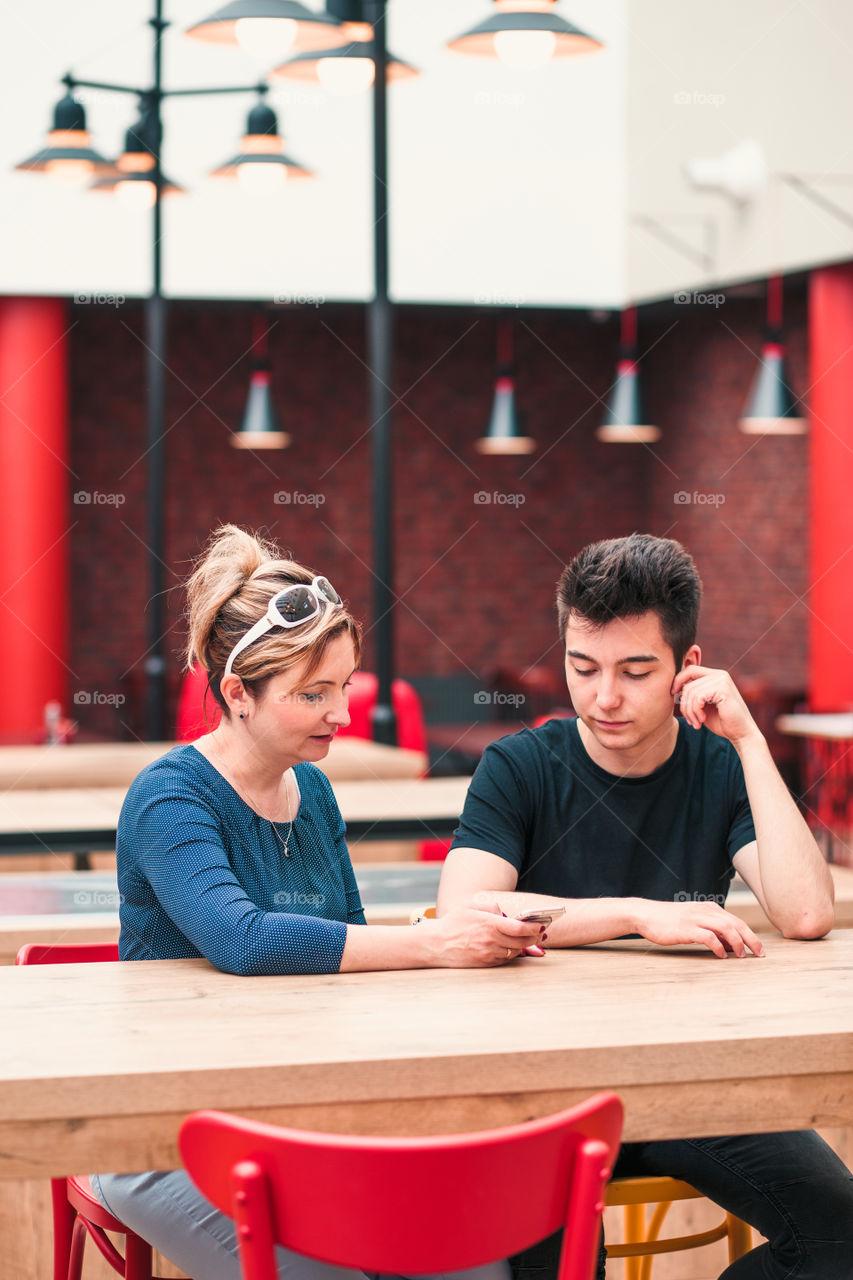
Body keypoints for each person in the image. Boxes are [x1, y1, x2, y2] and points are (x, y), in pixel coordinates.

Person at [92, 524, 543, 1280]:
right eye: (314, 694)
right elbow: (243, 940)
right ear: (236, 692)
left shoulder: (317, 791)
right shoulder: (169, 797)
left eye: (343, 687)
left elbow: (349, 949)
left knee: (467, 1261)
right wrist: (435, 942)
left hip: (298, 1116)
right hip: (163, 1130)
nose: (341, 712)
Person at [437, 533, 853, 1280]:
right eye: (582, 667)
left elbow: (804, 914)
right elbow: (467, 909)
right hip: (541, 1101)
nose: (603, 697)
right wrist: (635, 913)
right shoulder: (520, 766)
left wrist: (750, 741)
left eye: (634, 672)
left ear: (687, 670)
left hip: (691, 1085)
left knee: (841, 1238)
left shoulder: (719, 766)